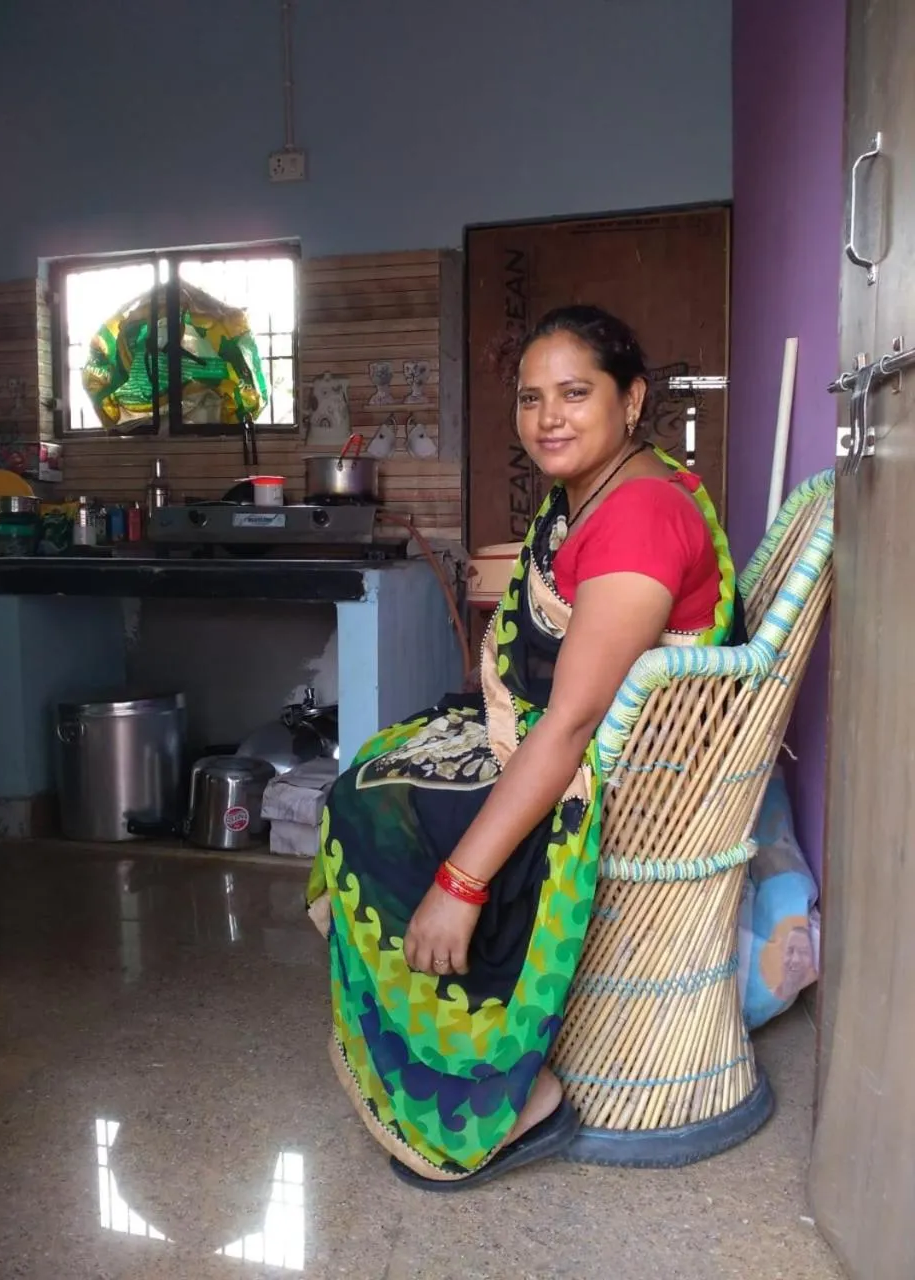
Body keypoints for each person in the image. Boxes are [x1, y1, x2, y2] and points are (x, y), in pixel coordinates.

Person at [307, 305, 742, 1191]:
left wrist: (460, 885)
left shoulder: (640, 515)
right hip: (567, 743)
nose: (548, 417)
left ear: (631, 400)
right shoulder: (592, 496)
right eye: (531, 397)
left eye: (575, 393)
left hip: (620, 779)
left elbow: (573, 726)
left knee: (375, 812)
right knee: (377, 763)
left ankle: (512, 1091)